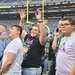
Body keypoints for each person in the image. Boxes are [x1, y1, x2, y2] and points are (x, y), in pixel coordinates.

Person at [19, 9, 47, 75]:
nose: (32, 31)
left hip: (32, 68)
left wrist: (40, 21)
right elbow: (21, 30)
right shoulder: (28, 37)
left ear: (39, 33)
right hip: (25, 66)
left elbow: (43, 35)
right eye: (32, 29)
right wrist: (22, 20)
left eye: (36, 30)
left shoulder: (40, 41)